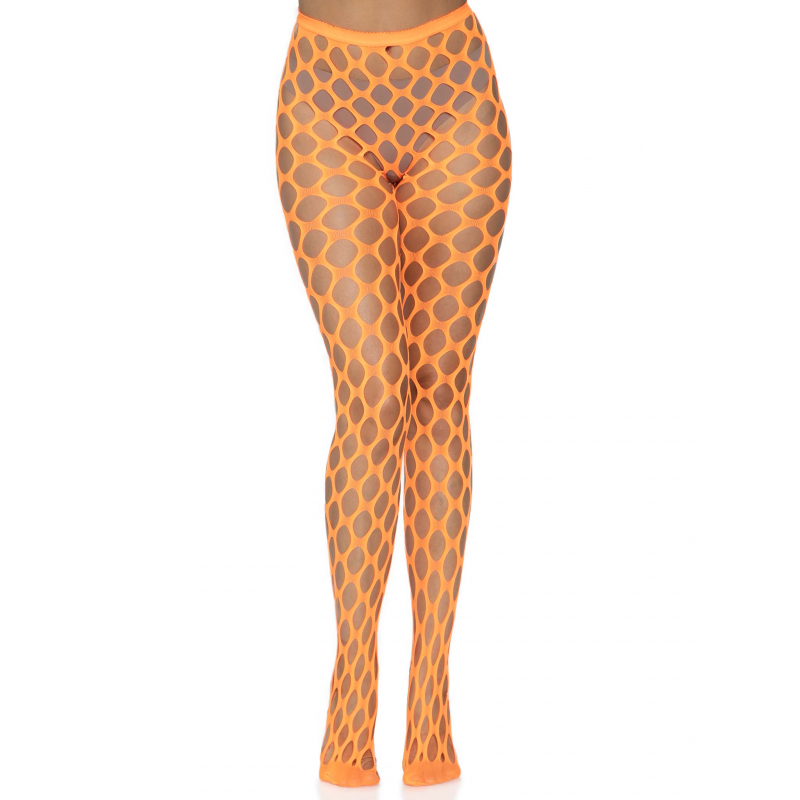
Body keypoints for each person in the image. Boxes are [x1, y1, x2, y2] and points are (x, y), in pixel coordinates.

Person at [275, 0, 512, 786]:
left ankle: (430, 695)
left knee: (441, 391)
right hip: (324, 93)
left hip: (456, 85)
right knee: (374, 392)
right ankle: (353, 684)